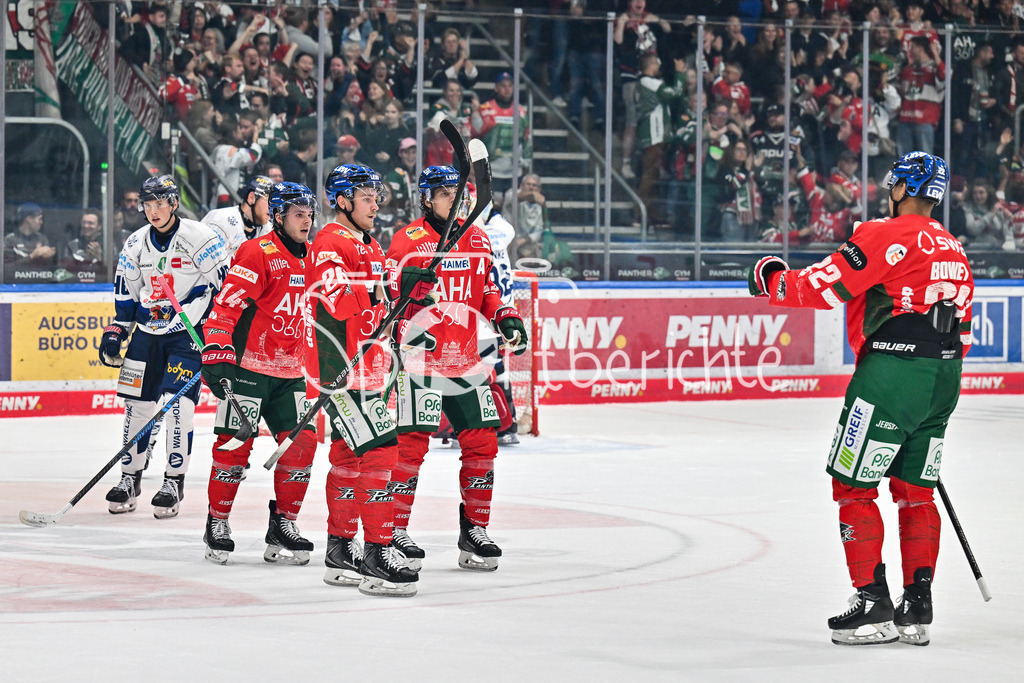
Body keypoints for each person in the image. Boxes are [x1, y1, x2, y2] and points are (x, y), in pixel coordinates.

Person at [747, 152, 973, 647]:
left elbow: (824, 286)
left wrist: (771, 280)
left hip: (892, 375)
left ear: (902, 188)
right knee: (917, 491)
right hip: (944, 378)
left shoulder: (883, 232)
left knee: (853, 485)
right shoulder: (954, 247)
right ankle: (918, 607)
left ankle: (872, 605)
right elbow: (964, 326)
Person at [385, 165, 529, 573]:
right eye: (445, 194)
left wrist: (505, 316)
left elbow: (486, 291)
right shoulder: (408, 241)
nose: (456, 200)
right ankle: (393, 529)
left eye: (458, 193)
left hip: (468, 359)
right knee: (411, 444)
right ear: (427, 199)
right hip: (421, 361)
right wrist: (411, 284)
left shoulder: (477, 238)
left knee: (483, 442)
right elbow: (393, 297)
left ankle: (475, 530)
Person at [306, 164, 430, 596]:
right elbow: (337, 301)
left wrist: (407, 294)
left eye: (377, 197)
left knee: (348, 457)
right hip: (341, 371)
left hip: (371, 367)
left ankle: (340, 549)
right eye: (366, 197)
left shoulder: (370, 244)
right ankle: (377, 553)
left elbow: (380, 306)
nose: (376, 204)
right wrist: (386, 288)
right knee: (381, 451)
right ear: (341, 200)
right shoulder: (328, 242)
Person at [199, 181, 318, 565]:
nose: (307, 221)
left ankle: (284, 522)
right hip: (248, 369)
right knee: (233, 448)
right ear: (279, 216)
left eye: (310, 214)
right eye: (299, 214)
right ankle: (217, 522)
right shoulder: (257, 251)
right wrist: (217, 350)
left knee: (302, 446)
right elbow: (226, 306)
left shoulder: (314, 257)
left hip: (291, 372)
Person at [99, 176, 228, 518]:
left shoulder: (200, 239)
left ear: (173, 203)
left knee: (177, 406)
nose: (153, 211)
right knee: (136, 407)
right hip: (146, 333)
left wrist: (218, 333)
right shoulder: (135, 243)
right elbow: (127, 292)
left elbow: (224, 287)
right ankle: (130, 477)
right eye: (148, 205)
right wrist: (117, 329)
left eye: (160, 204)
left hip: (186, 333)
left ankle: (174, 480)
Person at [201, 175, 275, 257]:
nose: (273, 207)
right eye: (269, 200)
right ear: (252, 198)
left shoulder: (269, 230)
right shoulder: (220, 221)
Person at [4, 203, 56, 270]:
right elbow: (6, 269)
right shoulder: (10, 240)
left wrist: (49, 257)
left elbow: (48, 268)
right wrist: (32, 256)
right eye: (39, 219)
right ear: (29, 219)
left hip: (39, 279)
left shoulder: (42, 238)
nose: (41, 222)